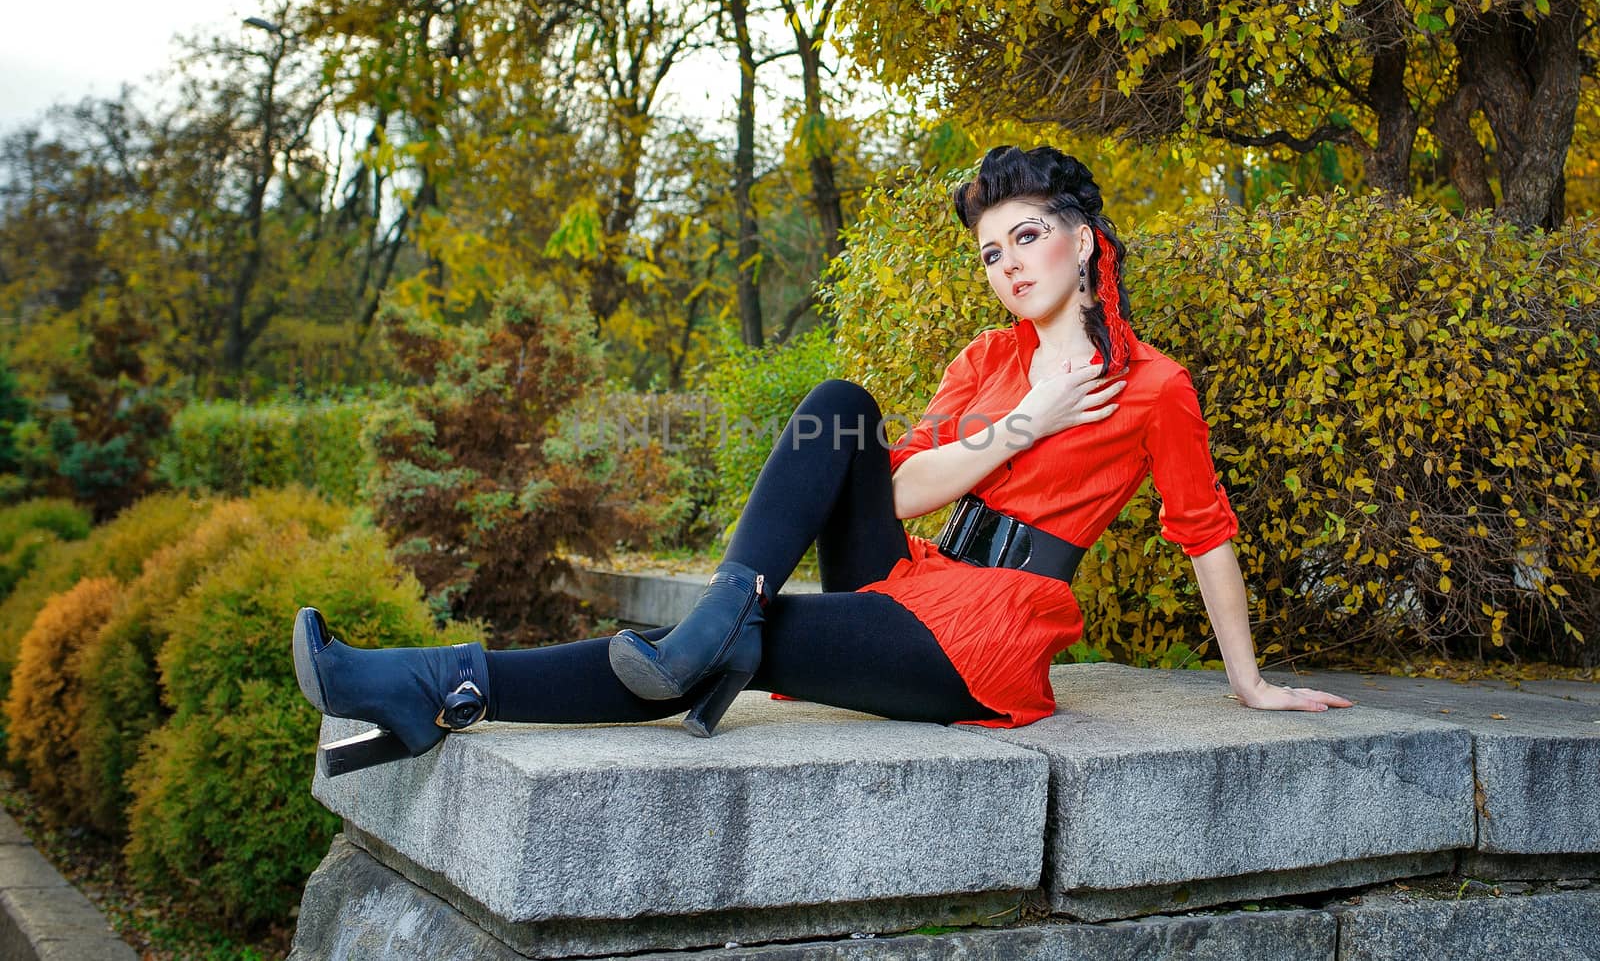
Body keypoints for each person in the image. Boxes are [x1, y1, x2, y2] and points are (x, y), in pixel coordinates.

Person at [291, 145, 1354, 777]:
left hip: (987, 637)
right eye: (991, 251)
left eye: (1027, 237)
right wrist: (1025, 417)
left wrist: (1249, 684)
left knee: (709, 649)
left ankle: (431, 683)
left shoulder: (1154, 385)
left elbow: (1203, 529)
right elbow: (897, 491)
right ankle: (720, 611)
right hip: (911, 579)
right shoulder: (990, 361)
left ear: (1081, 238)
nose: (1008, 265)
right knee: (841, 405)